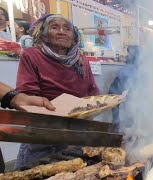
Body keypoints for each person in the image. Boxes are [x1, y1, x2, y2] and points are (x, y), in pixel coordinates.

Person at [14, 14, 100, 169]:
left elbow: (93, 93)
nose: (62, 31)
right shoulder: (32, 55)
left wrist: (92, 110)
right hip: (44, 132)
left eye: (67, 29)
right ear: (44, 35)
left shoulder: (81, 61)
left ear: (74, 37)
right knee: (35, 172)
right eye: (55, 27)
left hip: (76, 131)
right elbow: (27, 95)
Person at [109, 45, 139, 128]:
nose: (127, 56)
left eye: (129, 54)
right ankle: (120, 124)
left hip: (121, 93)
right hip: (118, 92)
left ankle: (120, 124)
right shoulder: (130, 69)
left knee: (128, 111)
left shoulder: (129, 70)